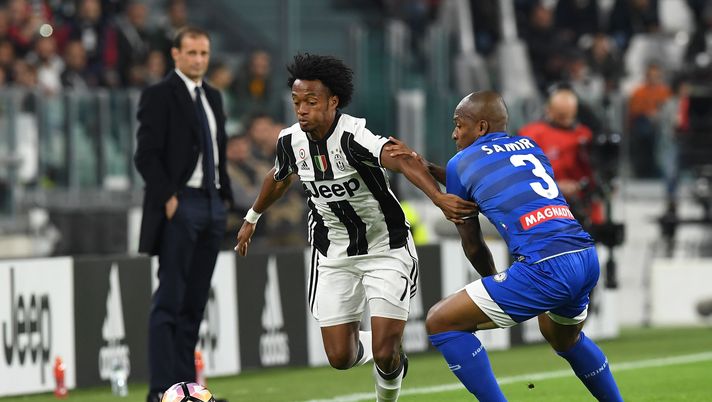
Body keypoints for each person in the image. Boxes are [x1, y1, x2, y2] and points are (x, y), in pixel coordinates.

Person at [235, 53, 475, 402]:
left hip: (385, 246)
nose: (302, 110)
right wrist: (252, 218)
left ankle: (386, 371)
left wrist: (438, 198)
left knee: (384, 354)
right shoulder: (290, 141)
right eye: (297, 102)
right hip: (333, 253)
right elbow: (279, 176)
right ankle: (386, 347)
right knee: (340, 357)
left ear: (333, 101)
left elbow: (402, 160)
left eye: (311, 102)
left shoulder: (354, 136)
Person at [385, 91, 623, 401]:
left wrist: (495, 282)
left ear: (481, 127)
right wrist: (428, 166)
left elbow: (473, 244)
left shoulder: (461, 163)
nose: (454, 133)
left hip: (546, 267)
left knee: (441, 321)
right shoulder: (530, 146)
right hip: (585, 256)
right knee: (564, 339)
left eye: (459, 124)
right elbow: (484, 180)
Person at [133, 26, 232, 402]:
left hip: (211, 203)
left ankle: (186, 392)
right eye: (191, 52)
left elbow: (217, 150)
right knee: (170, 301)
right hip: (181, 203)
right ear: (175, 54)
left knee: (194, 303)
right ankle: (161, 390)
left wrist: (223, 197)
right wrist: (169, 198)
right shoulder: (159, 95)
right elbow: (145, 155)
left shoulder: (213, 97)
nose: (198, 60)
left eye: (204, 53)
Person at [518, 88, 603, 228]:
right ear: (548, 110)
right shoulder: (531, 134)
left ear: (575, 112)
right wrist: (555, 187)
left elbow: (593, 175)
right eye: (560, 114)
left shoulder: (584, 135)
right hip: (543, 206)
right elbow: (521, 176)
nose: (564, 119)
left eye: (567, 114)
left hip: (580, 206)